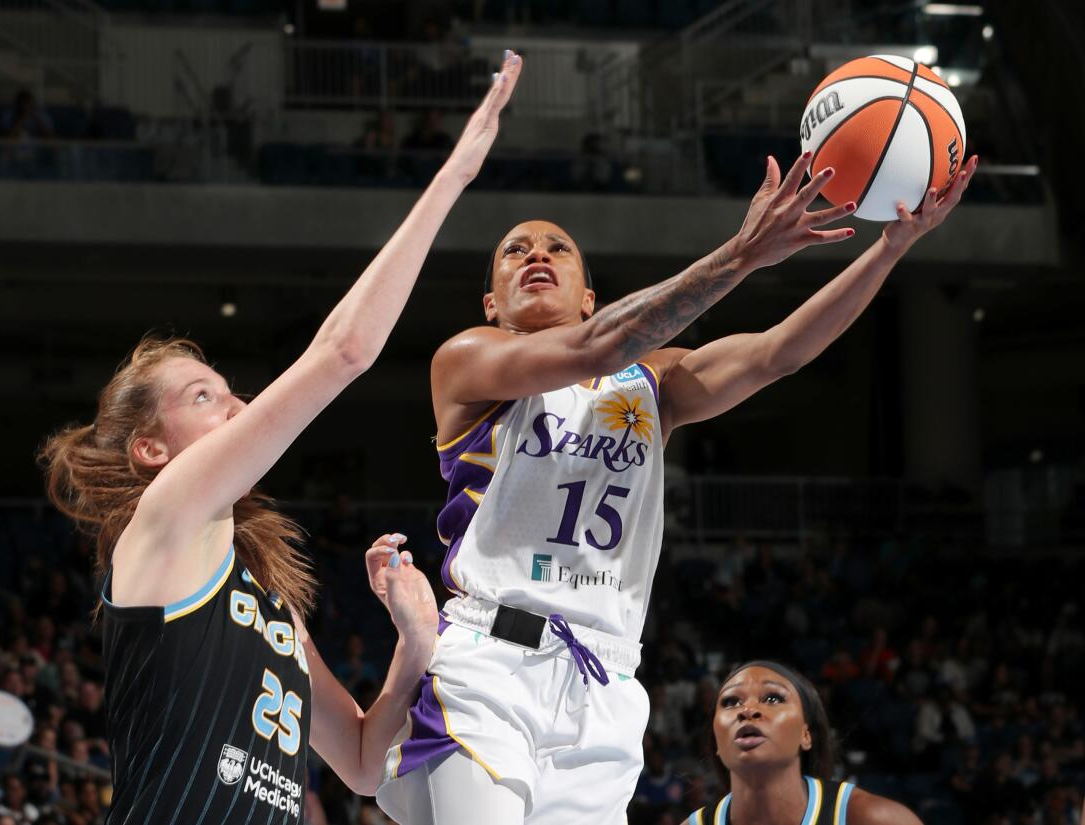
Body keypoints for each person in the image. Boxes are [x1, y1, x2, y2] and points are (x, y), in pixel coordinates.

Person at [376, 152, 977, 824]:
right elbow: (594, 350)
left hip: (604, 681)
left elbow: (780, 352)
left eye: (557, 248)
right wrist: (741, 254)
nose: (536, 254)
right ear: (492, 302)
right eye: (515, 251)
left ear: (588, 297)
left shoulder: (651, 384)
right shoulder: (468, 361)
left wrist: (892, 249)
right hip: (491, 662)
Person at [37, 52, 525, 824]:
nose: (238, 406)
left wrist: (413, 639)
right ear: (152, 450)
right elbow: (345, 352)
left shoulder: (270, 608)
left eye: (234, 390)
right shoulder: (162, 525)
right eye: (205, 396)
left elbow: (364, 763)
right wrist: (454, 176)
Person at [684, 661, 922, 824]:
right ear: (717, 740)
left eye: (773, 698)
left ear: (806, 734)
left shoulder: (873, 818)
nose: (748, 710)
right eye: (730, 702)